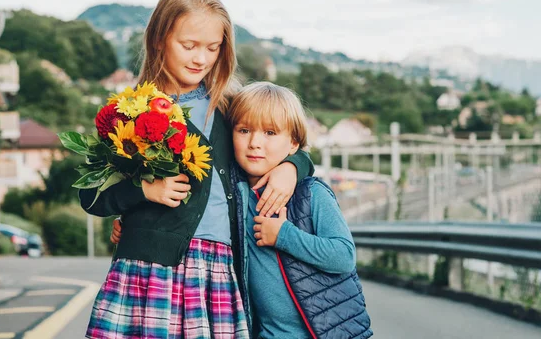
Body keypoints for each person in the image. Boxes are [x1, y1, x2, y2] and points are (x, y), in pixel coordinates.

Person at [80, 0, 314, 339]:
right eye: (188, 46)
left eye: (212, 48)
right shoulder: (128, 111)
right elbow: (91, 194)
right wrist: (143, 190)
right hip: (149, 271)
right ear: (159, 38)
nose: (200, 59)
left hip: (217, 271)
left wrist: (290, 169)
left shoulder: (230, 105)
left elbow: (284, 143)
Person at [112, 82, 373, 338]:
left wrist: (285, 235)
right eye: (244, 130)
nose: (255, 143)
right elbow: (193, 218)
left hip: (322, 331)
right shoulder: (232, 196)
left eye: (270, 133)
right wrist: (138, 225)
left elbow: (343, 256)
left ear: (293, 143)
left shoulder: (311, 194)